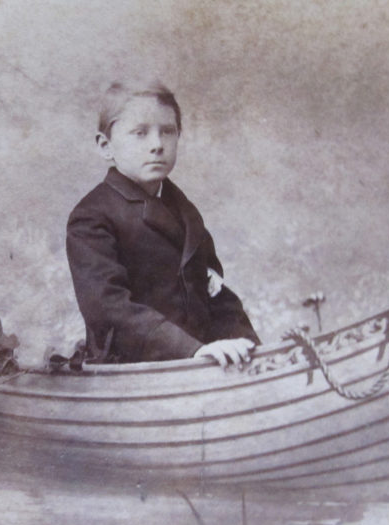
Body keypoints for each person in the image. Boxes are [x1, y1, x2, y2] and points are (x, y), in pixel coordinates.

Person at [66, 80, 260, 368]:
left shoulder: (184, 211)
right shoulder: (92, 217)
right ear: (106, 146)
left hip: (195, 363)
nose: (157, 145)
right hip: (130, 372)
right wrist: (191, 350)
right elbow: (108, 309)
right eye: (140, 133)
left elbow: (214, 294)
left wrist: (250, 346)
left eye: (167, 131)